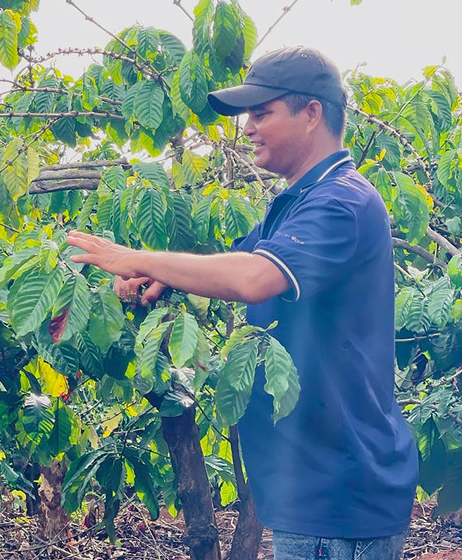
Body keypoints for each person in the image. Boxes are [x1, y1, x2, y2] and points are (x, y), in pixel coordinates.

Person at [67, 47, 418, 560]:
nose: (248, 128)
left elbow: (254, 278)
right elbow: (232, 261)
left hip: (340, 495)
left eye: (262, 113)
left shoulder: (342, 200)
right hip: (317, 488)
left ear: (312, 113)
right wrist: (161, 275)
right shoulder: (297, 200)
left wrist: (133, 256)